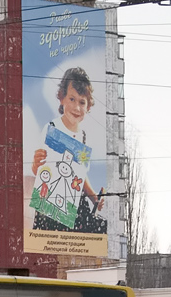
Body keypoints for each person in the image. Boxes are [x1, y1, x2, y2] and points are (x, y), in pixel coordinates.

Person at [30, 67, 104, 219]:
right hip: (48, 207)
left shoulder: (83, 137)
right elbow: (39, 169)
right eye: (72, 99)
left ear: (88, 107)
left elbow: (81, 174)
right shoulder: (51, 128)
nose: (77, 107)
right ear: (61, 98)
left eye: (82, 102)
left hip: (71, 209)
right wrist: (35, 165)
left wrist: (94, 197)